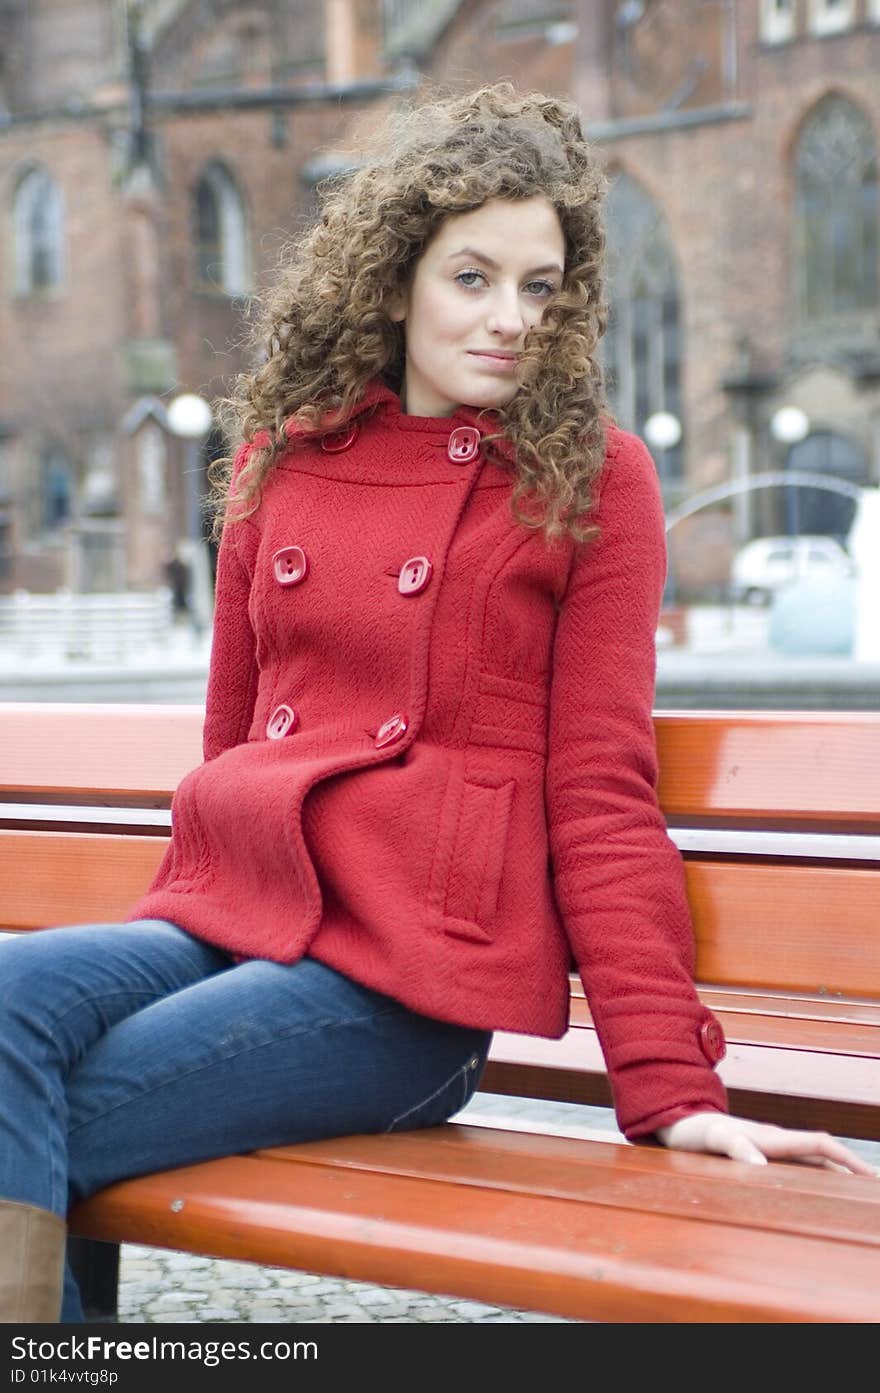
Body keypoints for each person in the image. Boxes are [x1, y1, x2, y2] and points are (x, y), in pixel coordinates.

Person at [0, 80, 874, 1326]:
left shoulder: (590, 477)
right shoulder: (283, 457)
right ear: (396, 275)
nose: (510, 318)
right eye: (473, 277)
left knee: (55, 1113)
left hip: (408, 984)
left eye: (540, 284)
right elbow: (235, 742)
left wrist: (672, 1088)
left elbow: (599, 788)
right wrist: (187, 939)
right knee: (10, 1010)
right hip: (241, 917)